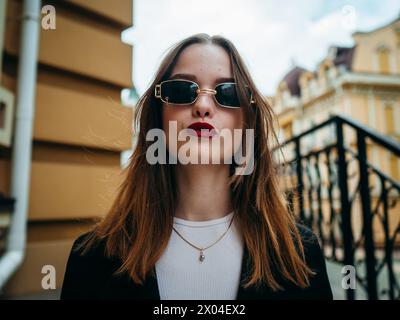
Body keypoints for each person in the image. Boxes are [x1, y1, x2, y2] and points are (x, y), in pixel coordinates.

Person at [60, 33, 333, 300]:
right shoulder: (91, 257)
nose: (203, 105)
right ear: (158, 117)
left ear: (246, 123)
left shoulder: (300, 253)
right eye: (182, 90)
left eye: (228, 92)